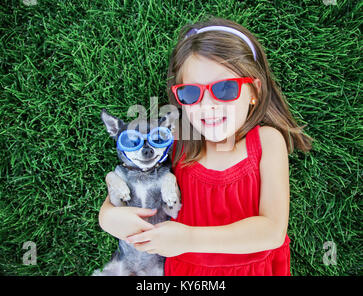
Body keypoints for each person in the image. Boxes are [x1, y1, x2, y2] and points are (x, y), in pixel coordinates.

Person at [98, 16, 313, 276]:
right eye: (191, 93)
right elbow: (127, 186)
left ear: (254, 91)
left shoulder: (266, 141)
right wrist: (108, 217)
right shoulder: (174, 142)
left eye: (224, 89)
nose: (207, 105)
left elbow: (272, 232)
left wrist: (189, 239)